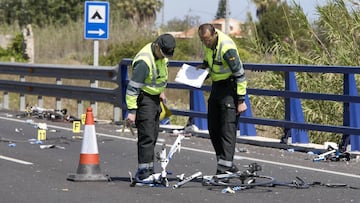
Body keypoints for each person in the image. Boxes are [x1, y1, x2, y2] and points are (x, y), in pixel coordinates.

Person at [197, 23, 247, 174]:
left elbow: (240, 74)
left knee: (227, 128)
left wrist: (241, 101)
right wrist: (202, 68)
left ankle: (225, 167)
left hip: (230, 88)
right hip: (217, 87)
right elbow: (209, 59)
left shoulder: (226, 48)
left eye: (207, 39)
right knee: (213, 126)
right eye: (202, 40)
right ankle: (225, 163)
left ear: (214, 35)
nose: (205, 43)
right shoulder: (208, 44)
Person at [125, 33, 176, 183]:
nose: (165, 57)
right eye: (163, 53)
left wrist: (161, 92)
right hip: (144, 98)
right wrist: (132, 112)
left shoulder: (161, 56)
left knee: (153, 134)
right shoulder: (144, 61)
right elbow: (132, 89)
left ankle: (148, 170)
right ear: (156, 46)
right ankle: (143, 174)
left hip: (155, 98)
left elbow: (158, 76)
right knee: (146, 136)